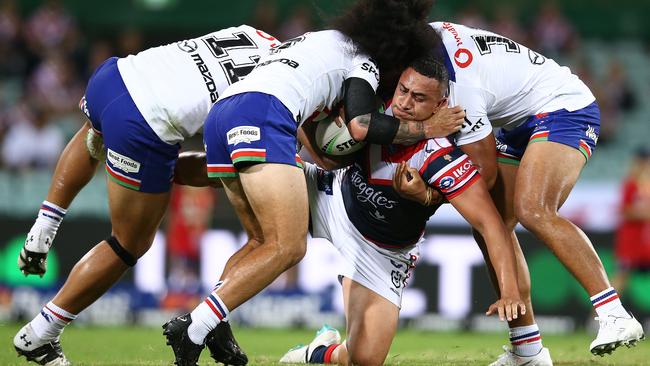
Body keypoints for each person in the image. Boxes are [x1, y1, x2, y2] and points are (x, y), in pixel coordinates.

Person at [162, 1, 467, 365]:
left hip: (226, 112)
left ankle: (216, 324)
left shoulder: (316, 42)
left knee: (261, 242)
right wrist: (426, 127)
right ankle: (195, 328)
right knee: (286, 248)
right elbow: (360, 126)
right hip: (269, 117)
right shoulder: (364, 60)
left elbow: (317, 136)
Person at [13, 24, 280, 366]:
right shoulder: (276, 90)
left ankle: (43, 229)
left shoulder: (256, 35)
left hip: (115, 76)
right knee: (128, 244)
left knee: (92, 134)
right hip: (144, 122)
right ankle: (40, 334)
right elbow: (217, 165)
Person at [399, 21, 644, 364]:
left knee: (534, 209)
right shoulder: (429, 36)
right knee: (490, 226)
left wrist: (430, 194)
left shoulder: (459, 87)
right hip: (520, 120)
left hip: (564, 108)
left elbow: (482, 174)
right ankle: (527, 351)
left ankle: (615, 315)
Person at [277, 56, 528, 366]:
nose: (406, 103)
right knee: (257, 174)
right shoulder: (371, 109)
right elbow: (310, 107)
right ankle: (207, 321)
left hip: (380, 253)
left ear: (440, 105)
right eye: (403, 91)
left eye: (419, 98)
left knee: (364, 359)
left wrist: (510, 291)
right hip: (330, 197)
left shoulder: (440, 158)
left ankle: (317, 353)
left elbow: (491, 225)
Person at [611, 147, 650, 293]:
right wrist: (644, 214)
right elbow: (625, 211)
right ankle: (601, 314)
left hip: (646, 240)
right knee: (621, 276)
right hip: (631, 240)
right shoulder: (631, 184)